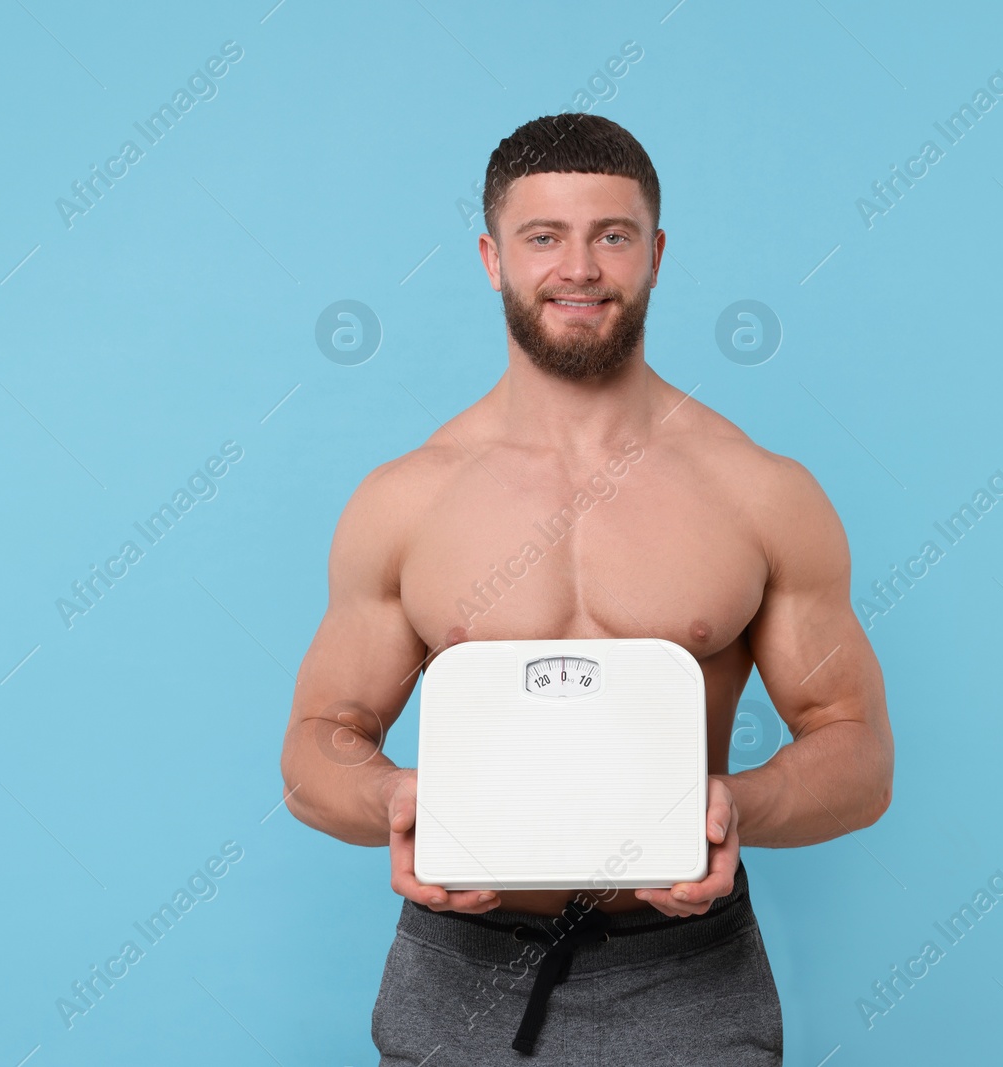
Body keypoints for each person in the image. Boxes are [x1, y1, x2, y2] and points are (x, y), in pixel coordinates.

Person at [280, 113, 893, 1064]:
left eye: (611, 234)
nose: (580, 268)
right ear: (492, 257)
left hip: (688, 972)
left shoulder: (759, 490)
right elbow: (316, 747)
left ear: (655, 252)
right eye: (543, 237)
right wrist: (395, 800)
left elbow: (858, 752)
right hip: (457, 977)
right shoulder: (408, 498)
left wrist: (737, 804)